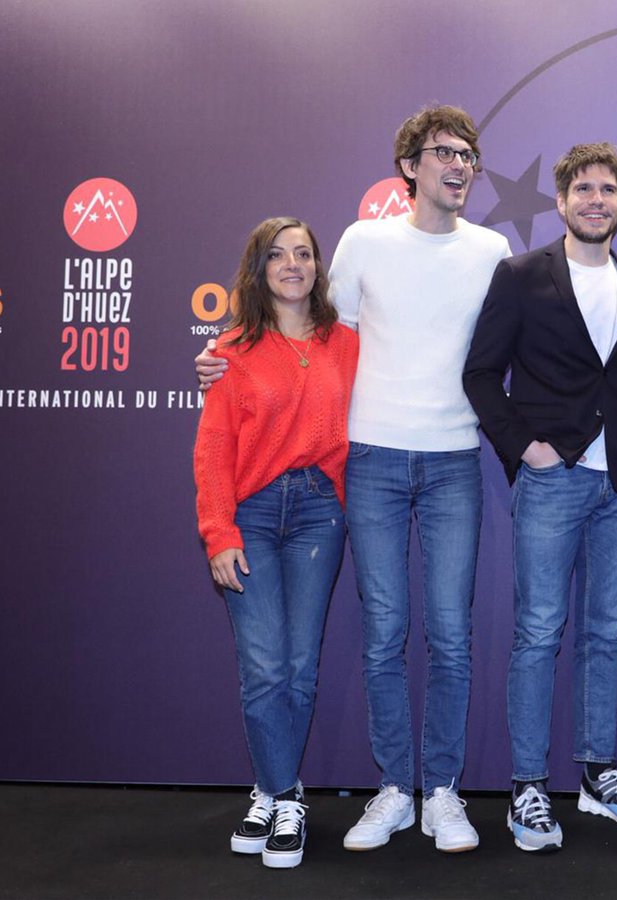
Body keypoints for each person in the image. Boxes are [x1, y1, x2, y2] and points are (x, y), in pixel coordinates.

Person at [196, 106, 511, 855]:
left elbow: (515, 345)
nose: (459, 164)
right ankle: (394, 789)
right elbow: (305, 327)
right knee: (383, 635)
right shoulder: (364, 241)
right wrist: (223, 357)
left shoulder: (493, 249)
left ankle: (441, 791)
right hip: (370, 462)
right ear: (410, 165)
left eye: (468, 154)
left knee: (451, 635)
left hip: (454, 461)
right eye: (443, 152)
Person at [463, 143, 617, 853]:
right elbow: (481, 374)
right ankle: (528, 785)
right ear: (562, 199)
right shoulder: (519, 275)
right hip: (552, 480)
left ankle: (597, 773)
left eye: (607, 190)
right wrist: (525, 449)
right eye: (583, 189)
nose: (595, 200)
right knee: (539, 633)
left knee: (605, 633)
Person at [194, 217, 358, 869]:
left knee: (298, 666)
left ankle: (273, 794)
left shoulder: (346, 344)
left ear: (319, 267)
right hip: (253, 514)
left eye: (304, 254)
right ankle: (282, 794)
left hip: (320, 514)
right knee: (264, 665)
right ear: (258, 269)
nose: (293, 265)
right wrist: (219, 532)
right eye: (278, 255)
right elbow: (213, 449)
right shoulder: (231, 350)